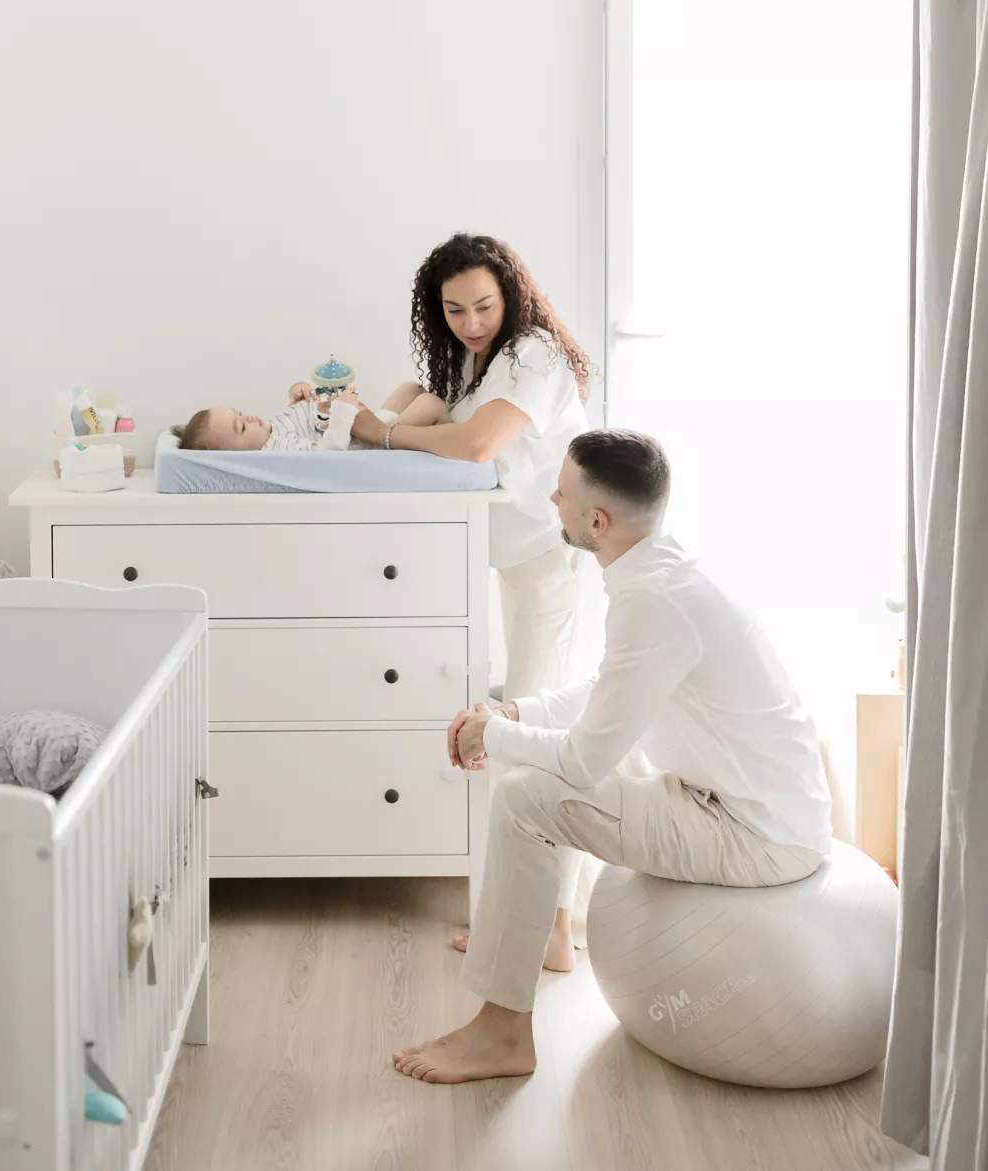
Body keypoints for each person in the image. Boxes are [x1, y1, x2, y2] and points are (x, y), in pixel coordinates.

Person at [392, 430, 833, 1086]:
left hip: (756, 836)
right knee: (560, 763)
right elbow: (612, 689)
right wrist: (517, 712)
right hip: (751, 805)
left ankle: (501, 1032)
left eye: (562, 492)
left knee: (524, 798)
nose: (552, 495)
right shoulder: (665, 568)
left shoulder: (654, 600)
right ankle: (551, 933)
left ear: (595, 521)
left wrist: (491, 737)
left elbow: (580, 763)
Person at [351, 233, 592, 702]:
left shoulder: (534, 353)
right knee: (514, 707)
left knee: (532, 709)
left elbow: (478, 443)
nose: (471, 323)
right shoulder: (469, 360)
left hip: (542, 547)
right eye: (455, 310)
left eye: (484, 306)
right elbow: (440, 426)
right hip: (505, 548)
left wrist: (380, 433)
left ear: (510, 294)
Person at [171, 379, 449, 453]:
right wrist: (343, 411)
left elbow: (307, 422)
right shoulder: (278, 450)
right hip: (370, 441)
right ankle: (455, 460)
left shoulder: (268, 429)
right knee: (430, 403)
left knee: (410, 387)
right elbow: (327, 453)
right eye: (240, 429)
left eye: (240, 414)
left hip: (361, 421)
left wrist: (303, 394)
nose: (249, 419)